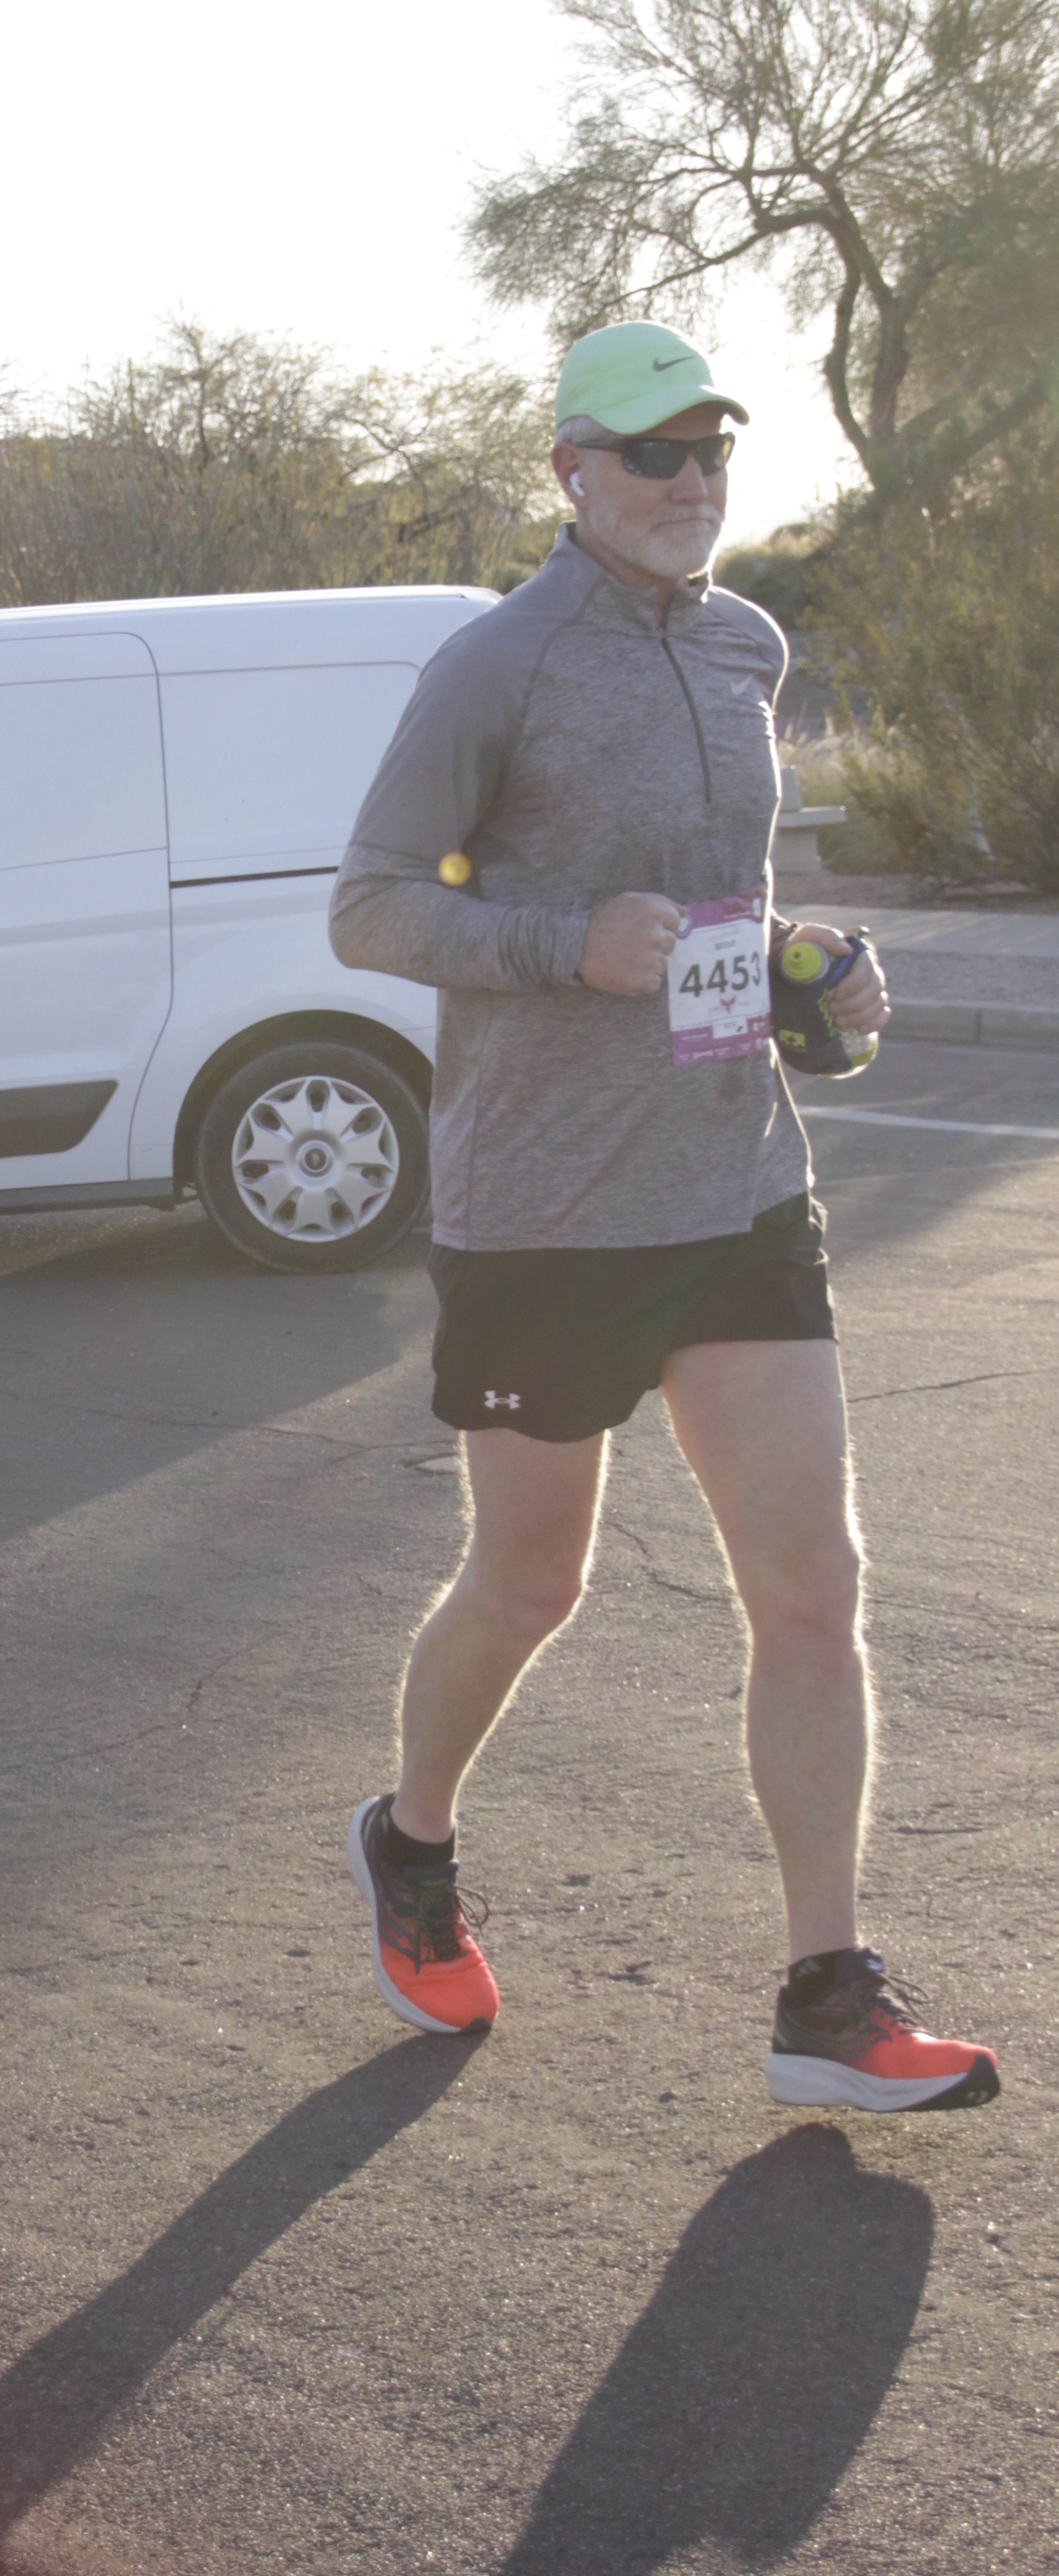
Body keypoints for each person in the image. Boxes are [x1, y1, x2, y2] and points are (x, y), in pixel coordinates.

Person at [327, 323, 999, 2116]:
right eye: (653, 453)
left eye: (711, 449)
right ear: (572, 472)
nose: (691, 480)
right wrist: (568, 945)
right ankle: (410, 1836)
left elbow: (727, 908)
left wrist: (808, 976)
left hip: (734, 1178)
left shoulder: (745, 645)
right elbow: (372, 907)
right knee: (529, 1583)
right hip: (544, 1208)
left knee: (814, 1588)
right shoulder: (497, 664)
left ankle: (827, 1996)